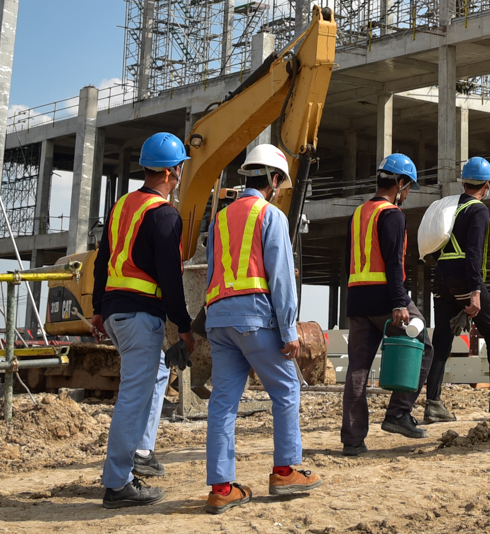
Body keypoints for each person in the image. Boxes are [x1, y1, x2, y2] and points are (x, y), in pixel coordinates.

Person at [201, 144, 319, 512]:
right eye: (279, 183)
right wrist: (289, 331)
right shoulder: (270, 216)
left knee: (223, 404)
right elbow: (281, 279)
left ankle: (222, 490)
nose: (279, 189)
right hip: (255, 317)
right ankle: (284, 471)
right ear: (272, 178)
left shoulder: (218, 220)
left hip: (218, 319)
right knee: (286, 390)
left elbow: (210, 273)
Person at [91, 131, 196, 508]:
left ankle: (139, 455)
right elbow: (170, 275)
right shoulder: (164, 214)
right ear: (171, 172)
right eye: (181, 166)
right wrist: (183, 326)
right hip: (139, 314)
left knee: (151, 378)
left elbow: (103, 261)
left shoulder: (122, 206)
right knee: (134, 397)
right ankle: (118, 482)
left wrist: (98, 309)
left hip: (117, 312)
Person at [338, 152, 427, 455]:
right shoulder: (392, 214)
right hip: (386, 298)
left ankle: (353, 440)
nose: (407, 193)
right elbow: (393, 262)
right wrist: (400, 303)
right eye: (408, 187)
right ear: (400, 183)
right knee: (424, 345)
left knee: (358, 370)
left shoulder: (359, 213)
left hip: (357, 299)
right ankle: (399, 413)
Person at [423, 156, 490, 420]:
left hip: (440, 277)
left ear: (464, 182)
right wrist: (475, 290)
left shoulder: (448, 208)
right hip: (465, 278)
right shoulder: (478, 210)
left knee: (441, 340)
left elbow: (433, 246)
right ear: (488, 184)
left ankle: (433, 404)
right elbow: (474, 252)